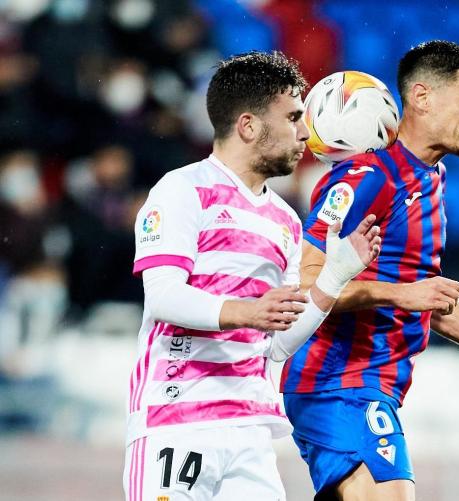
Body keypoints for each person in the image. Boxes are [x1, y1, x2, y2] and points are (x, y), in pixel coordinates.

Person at [280, 40, 459, 500]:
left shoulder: (429, 179)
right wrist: (398, 295)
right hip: (337, 382)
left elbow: (426, 296)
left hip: (375, 384)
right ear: (422, 97)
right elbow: (305, 288)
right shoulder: (365, 177)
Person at [123, 51, 381, 501]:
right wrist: (248, 311)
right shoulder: (183, 189)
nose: (306, 132)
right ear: (248, 126)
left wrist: (335, 277)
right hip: (177, 421)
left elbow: (276, 344)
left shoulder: (285, 220)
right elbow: (163, 296)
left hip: (250, 435)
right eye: (294, 118)